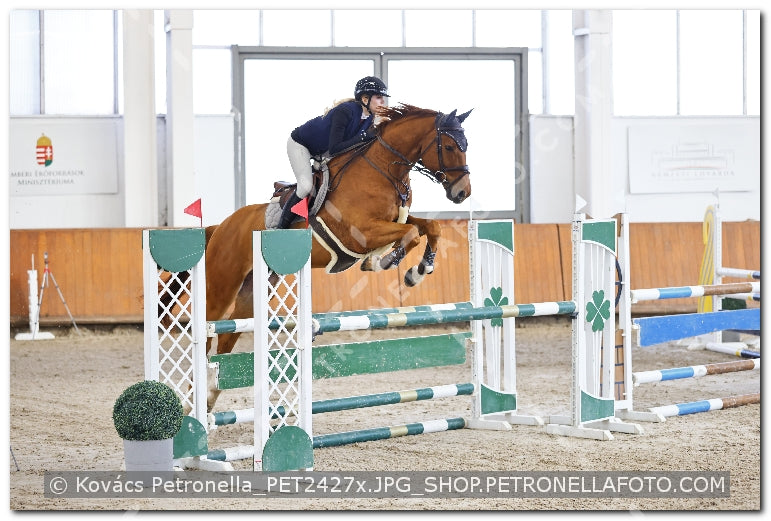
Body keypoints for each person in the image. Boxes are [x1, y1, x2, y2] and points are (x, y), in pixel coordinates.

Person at [279, 76, 390, 228]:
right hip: (301, 144)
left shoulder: (369, 118)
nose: (383, 102)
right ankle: (281, 228)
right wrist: (364, 137)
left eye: (383, 98)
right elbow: (336, 148)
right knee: (305, 186)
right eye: (379, 97)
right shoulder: (345, 112)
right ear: (365, 98)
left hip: (323, 152)